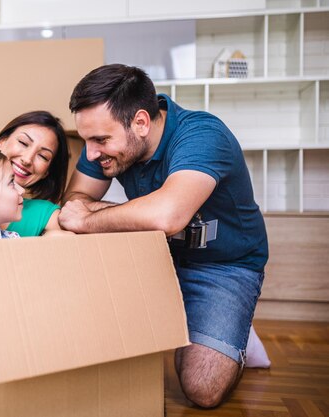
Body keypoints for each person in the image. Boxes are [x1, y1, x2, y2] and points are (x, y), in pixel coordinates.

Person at [58, 64, 268, 408]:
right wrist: (100, 214)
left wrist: (93, 216)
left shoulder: (202, 134)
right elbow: (73, 205)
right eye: (86, 139)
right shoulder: (106, 140)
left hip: (223, 267)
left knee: (202, 389)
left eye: (100, 140)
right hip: (156, 253)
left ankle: (235, 329)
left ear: (140, 122)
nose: (91, 153)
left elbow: (168, 215)